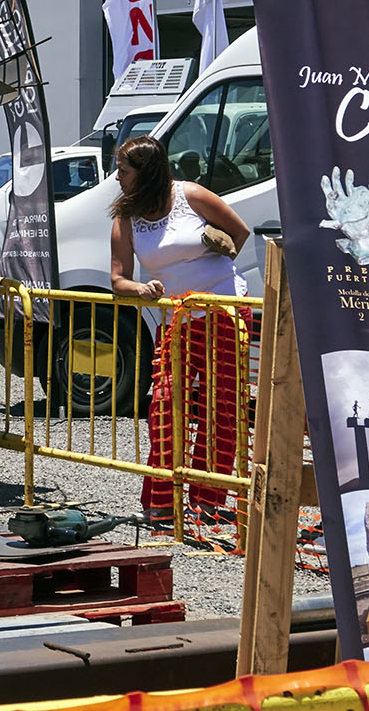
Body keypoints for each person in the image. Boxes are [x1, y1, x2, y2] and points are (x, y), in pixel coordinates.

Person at [108, 135, 251, 524]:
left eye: (123, 170)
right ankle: (160, 502)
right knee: (163, 407)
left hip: (224, 310)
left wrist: (218, 243)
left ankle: (208, 502)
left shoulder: (190, 195)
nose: (117, 177)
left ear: (147, 173)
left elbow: (240, 232)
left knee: (220, 409)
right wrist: (140, 288)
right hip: (177, 321)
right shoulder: (125, 217)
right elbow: (118, 279)